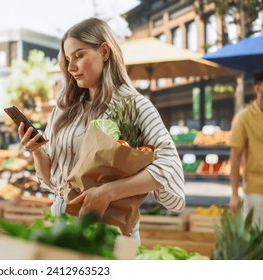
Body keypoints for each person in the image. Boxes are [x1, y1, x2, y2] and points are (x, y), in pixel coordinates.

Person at [17, 17, 185, 241]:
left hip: (110, 229)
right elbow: (52, 181)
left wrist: (108, 192)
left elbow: (169, 165)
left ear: (105, 52)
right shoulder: (65, 108)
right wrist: (37, 150)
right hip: (61, 224)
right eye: (67, 59)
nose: (71, 67)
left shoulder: (134, 105)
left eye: (79, 56)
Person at [229, 70, 263, 227]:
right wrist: (235, 194)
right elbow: (235, 157)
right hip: (256, 191)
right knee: (256, 243)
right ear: (258, 89)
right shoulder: (244, 118)